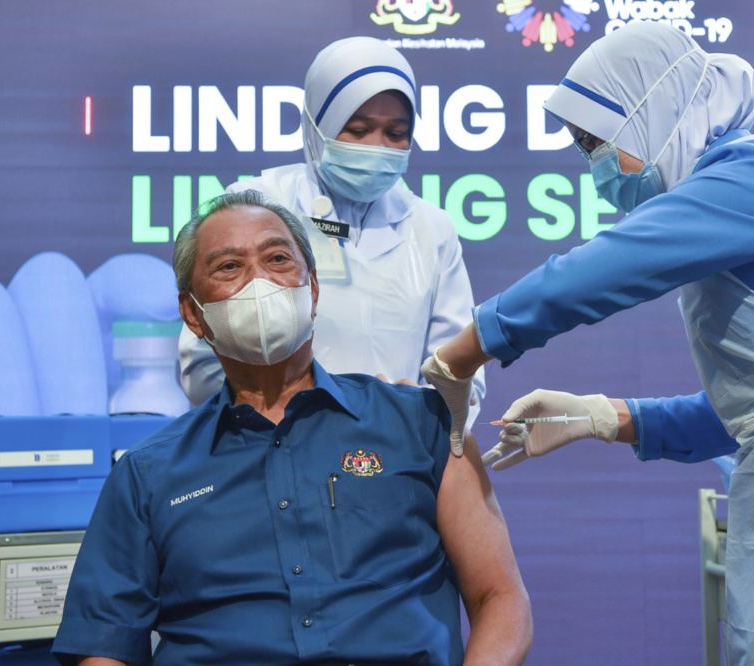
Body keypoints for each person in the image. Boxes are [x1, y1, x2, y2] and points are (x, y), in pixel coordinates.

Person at [421, 21, 754, 665]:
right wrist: (602, 417)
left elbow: (604, 269)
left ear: (653, 109)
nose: (598, 169)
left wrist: (464, 351)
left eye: (600, 144)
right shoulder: (752, 201)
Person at [52, 191, 532, 666]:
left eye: (278, 258)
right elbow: (101, 647)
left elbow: (501, 599)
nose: (259, 281)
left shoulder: (421, 423)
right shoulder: (147, 473)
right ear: (194, 314)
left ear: (313, 289)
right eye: (228, 267)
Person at [180, 36, 486, 424]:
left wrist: (413, 419)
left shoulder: (431, 228)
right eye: (357, 130)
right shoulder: (253, 206)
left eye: (395, 133)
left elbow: (459, 373)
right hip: (267, 447)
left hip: (393, 449)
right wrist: (294, 417)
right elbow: (203, 362)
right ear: (315, 125)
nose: (377, 147)